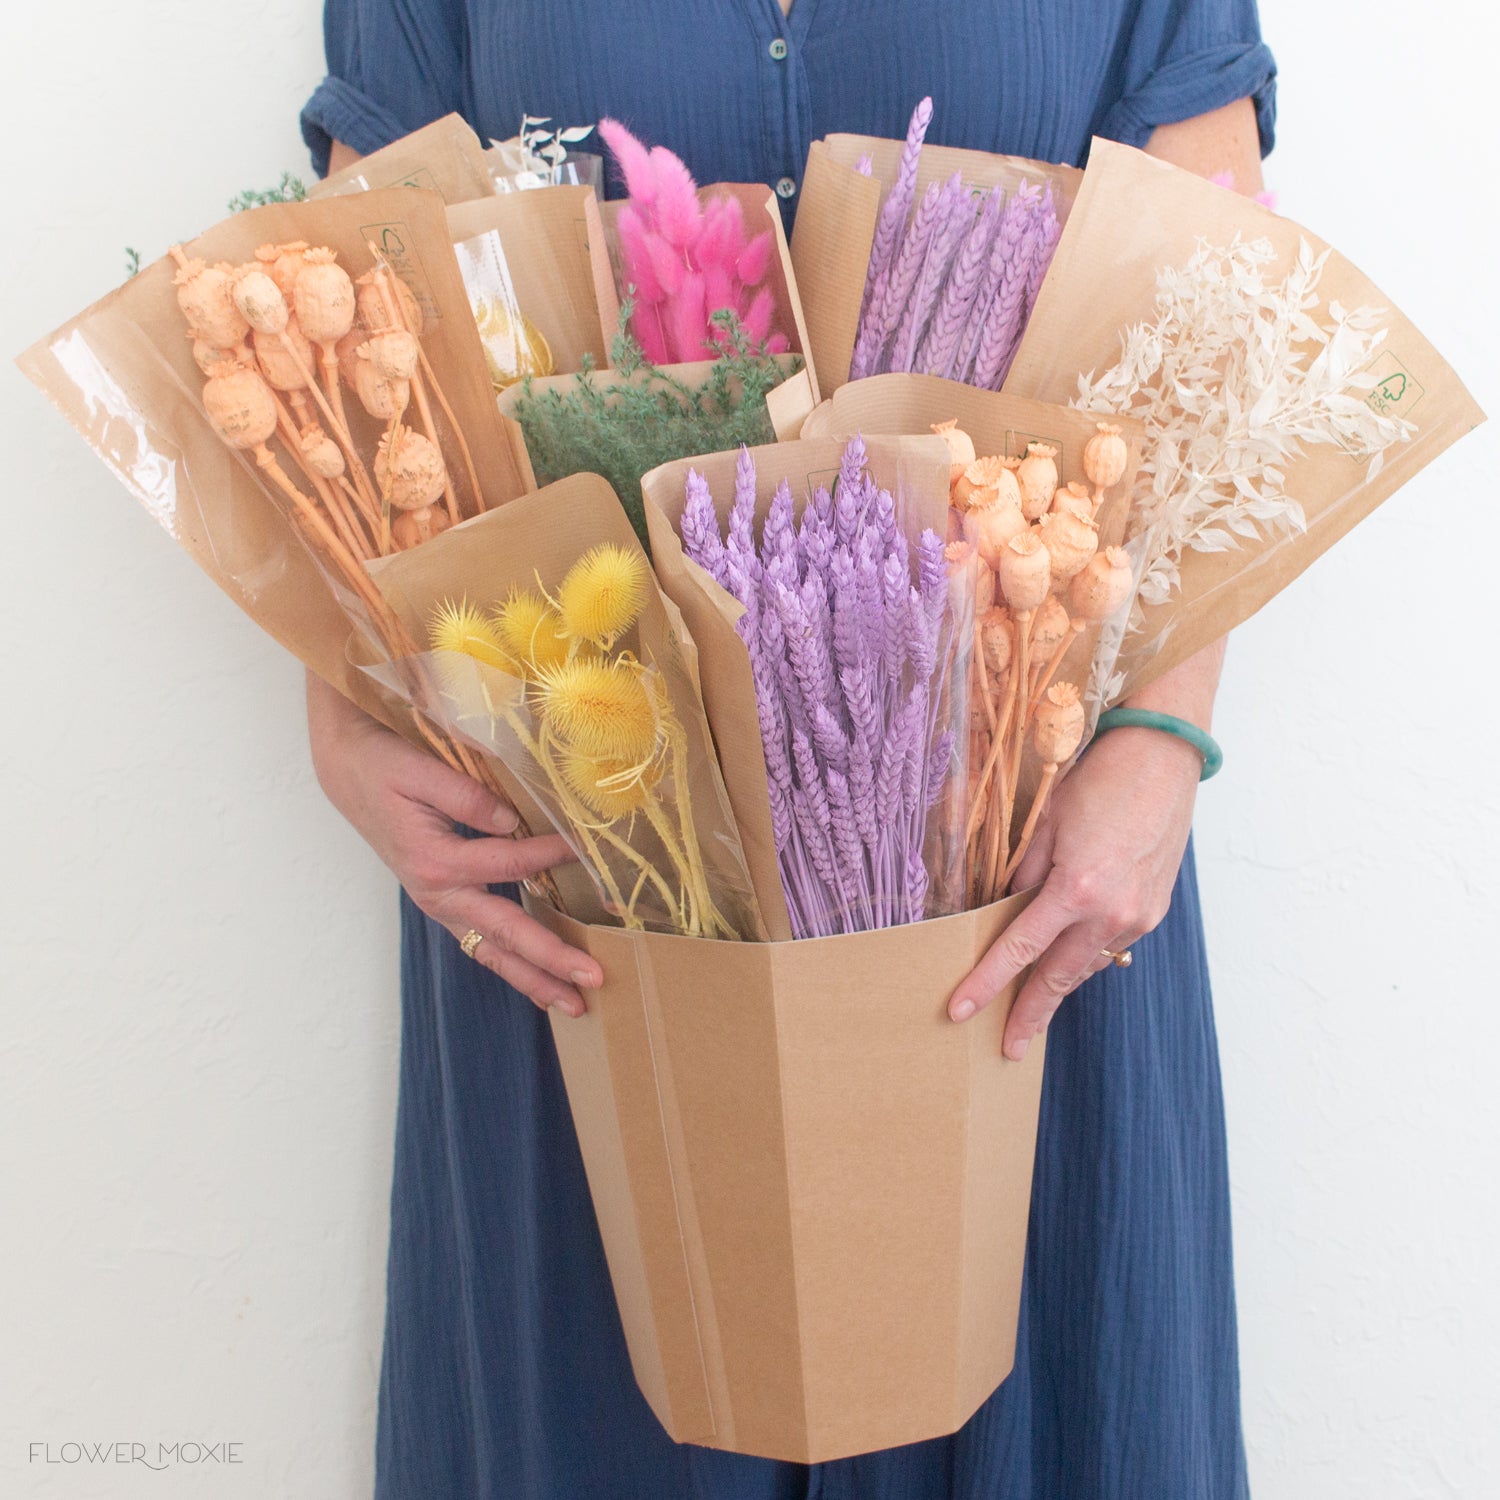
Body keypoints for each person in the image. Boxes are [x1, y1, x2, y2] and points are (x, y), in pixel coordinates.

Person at [301, 4, 1276, 1495]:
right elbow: (355, 288)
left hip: (1021, 836)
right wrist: (348, 716)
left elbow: (1220, 296)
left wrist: (1157, 737)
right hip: (588, 841)